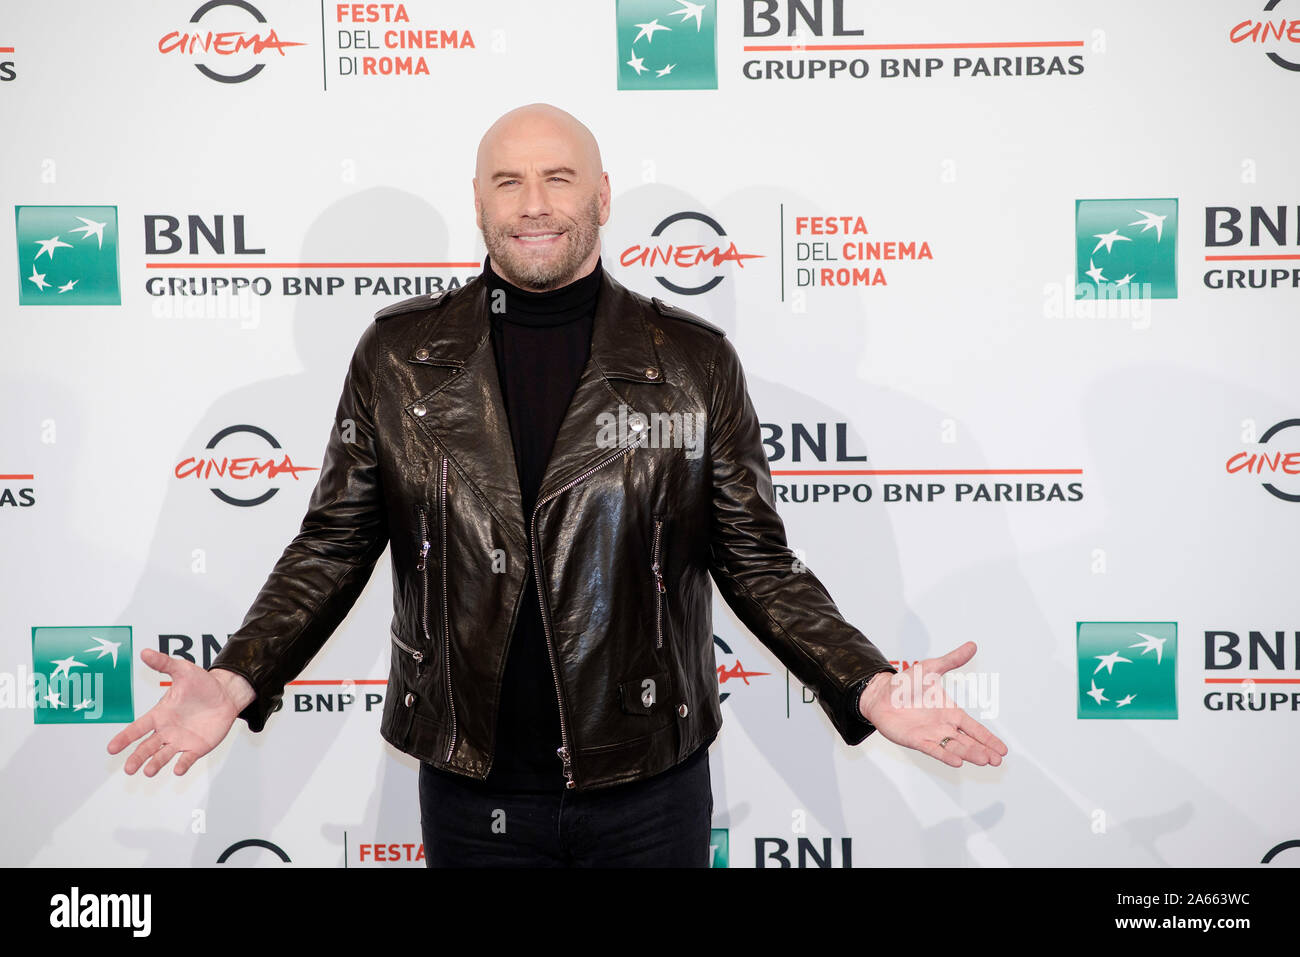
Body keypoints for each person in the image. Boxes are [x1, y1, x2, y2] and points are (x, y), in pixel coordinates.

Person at [107, 102, 1008, 866]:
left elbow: (755, 561)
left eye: (560, 178)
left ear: (602, 195)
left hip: (648, 783)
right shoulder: (398, 357)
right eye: (508, 182)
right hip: (471, 787)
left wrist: (864, 681)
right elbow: (333, 543)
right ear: (477, 202)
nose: (534, 204)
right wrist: (238, 675)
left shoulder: (691, 361)